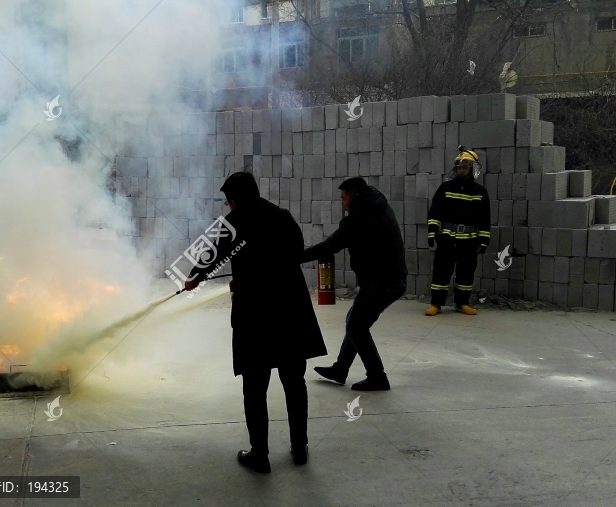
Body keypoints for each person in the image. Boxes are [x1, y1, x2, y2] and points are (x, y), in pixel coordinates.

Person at [184, 171, 326, 474]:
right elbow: (295, 253)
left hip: (255, 316)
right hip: (290, 311)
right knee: (294, 382)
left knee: (255, 386)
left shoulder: (231, 223)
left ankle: (259, 454)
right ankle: (299, 448)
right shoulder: (282, 216)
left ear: (234, 199)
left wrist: (192, 278)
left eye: (229, 201)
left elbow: (207, 257)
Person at [302, 177, 407, 392]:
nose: (342, 204)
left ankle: (378, 377)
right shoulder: (379, 205)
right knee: (355, 321)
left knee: (356, 327)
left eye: (343, 199)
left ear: (354, 197)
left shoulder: (359, 219)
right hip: (390, 279)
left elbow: (328, 246)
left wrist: (293, 257)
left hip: (381, 284)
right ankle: (340, 369)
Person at [425, 146, 491, 316]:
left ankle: (462, 303)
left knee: (466, 274)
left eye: (465, 167)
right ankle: (436, 304)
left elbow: (484, 218)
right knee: (441, 272)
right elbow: (435, 212)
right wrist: (432, 232)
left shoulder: (480, 192)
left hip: (469, 241)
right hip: (446, 238)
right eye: (459, 167)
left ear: (473, 168)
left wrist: (484, 240)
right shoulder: (445, 188)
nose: (461, 170)